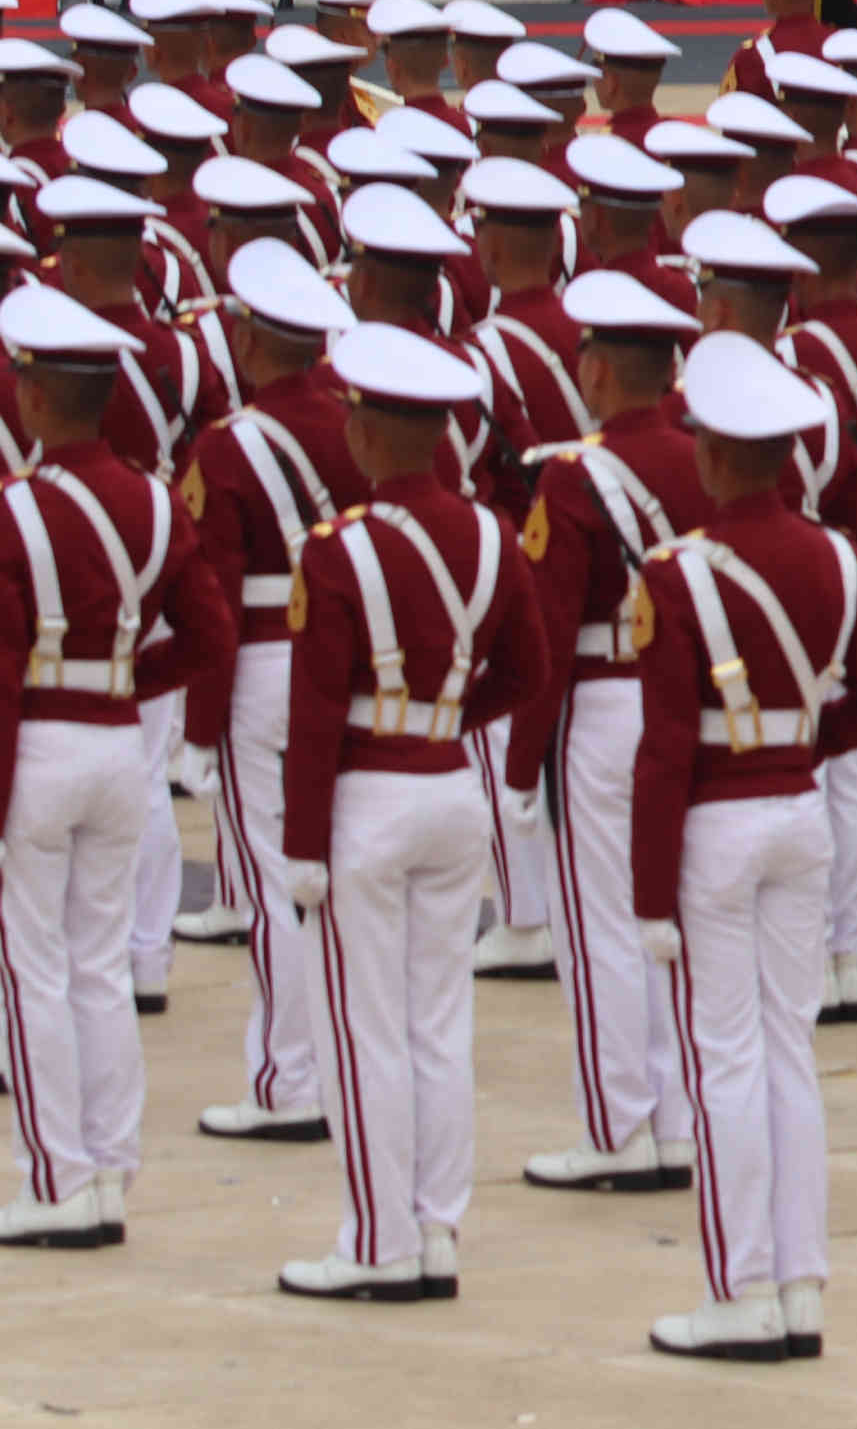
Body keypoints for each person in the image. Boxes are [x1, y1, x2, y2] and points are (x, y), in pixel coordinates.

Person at [630, 331, 857, 1360]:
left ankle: (738, 1286)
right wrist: (800, 743)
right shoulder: (835, 556)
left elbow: (665, 747)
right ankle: (799, 1285)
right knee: (789, 1051)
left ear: (711, 452)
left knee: (727, 1058)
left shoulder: (677, 573)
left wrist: (647, 892)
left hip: (716, 821)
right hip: (799, 810)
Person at [276, 319, 550, 1303]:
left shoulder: (337, 549)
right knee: (440, 1021)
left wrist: (301, 842)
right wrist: (442, 718)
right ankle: (434, 1229)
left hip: (367, 795)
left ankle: (376, 1238)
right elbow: (528, 668)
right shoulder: (492, 534)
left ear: (365, 431)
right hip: (448, 782)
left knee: (365, 1027)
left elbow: (315, 712)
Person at [0, 282, 233, 1246]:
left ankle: (56, 1177)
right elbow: (211, 632)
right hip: (115, 737)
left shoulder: (15, 510)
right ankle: (107, 1170)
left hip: (38, 746)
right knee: (98, 963)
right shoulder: (152, 497)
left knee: (33, 970)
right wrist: (134, 681)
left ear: (34, 397)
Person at [516, 266, 713, 1193]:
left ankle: (617, 1125)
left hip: (601, 702)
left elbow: (548, 633)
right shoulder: (706, 456)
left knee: (599, 918)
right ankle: (676, 1120)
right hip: (689, 699)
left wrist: (521, 761)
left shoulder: (575, 476)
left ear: (597, 370)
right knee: (671, 910)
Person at [183, 240, 362, 1145]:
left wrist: (198, 727)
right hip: (348, 661)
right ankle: (337, 1066)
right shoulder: (362, 422)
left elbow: (212, 600)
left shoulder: (228, 447)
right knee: (335, 877)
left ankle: (289, 1076)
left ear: (250, 341)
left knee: (269, 880)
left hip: (262, 666)